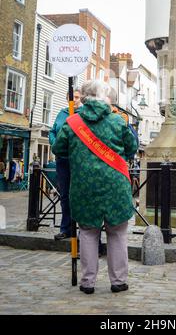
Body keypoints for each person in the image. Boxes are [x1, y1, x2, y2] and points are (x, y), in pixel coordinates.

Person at [52, 80, 138, 294]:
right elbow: (132, 147)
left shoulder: (72, 122)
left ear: (84, 97)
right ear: (102, 96)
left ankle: (88, 282)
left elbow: (58, 148)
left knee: (88, 233)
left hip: (83, 186)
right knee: (117, 233)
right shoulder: (118, 121)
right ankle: (118, 281)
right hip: (115, 185)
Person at [49, 88, 82, 240]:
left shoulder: (83, 114)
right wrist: (55, 144)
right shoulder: (61, 113)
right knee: (64, 195)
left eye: (77, 97)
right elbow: (52, 132)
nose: (74, 100)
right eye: (71, 97)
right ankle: (65, 228)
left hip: (78, 160)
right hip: (62, 159)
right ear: (67, 98)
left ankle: (83, 230)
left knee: (80, 194)